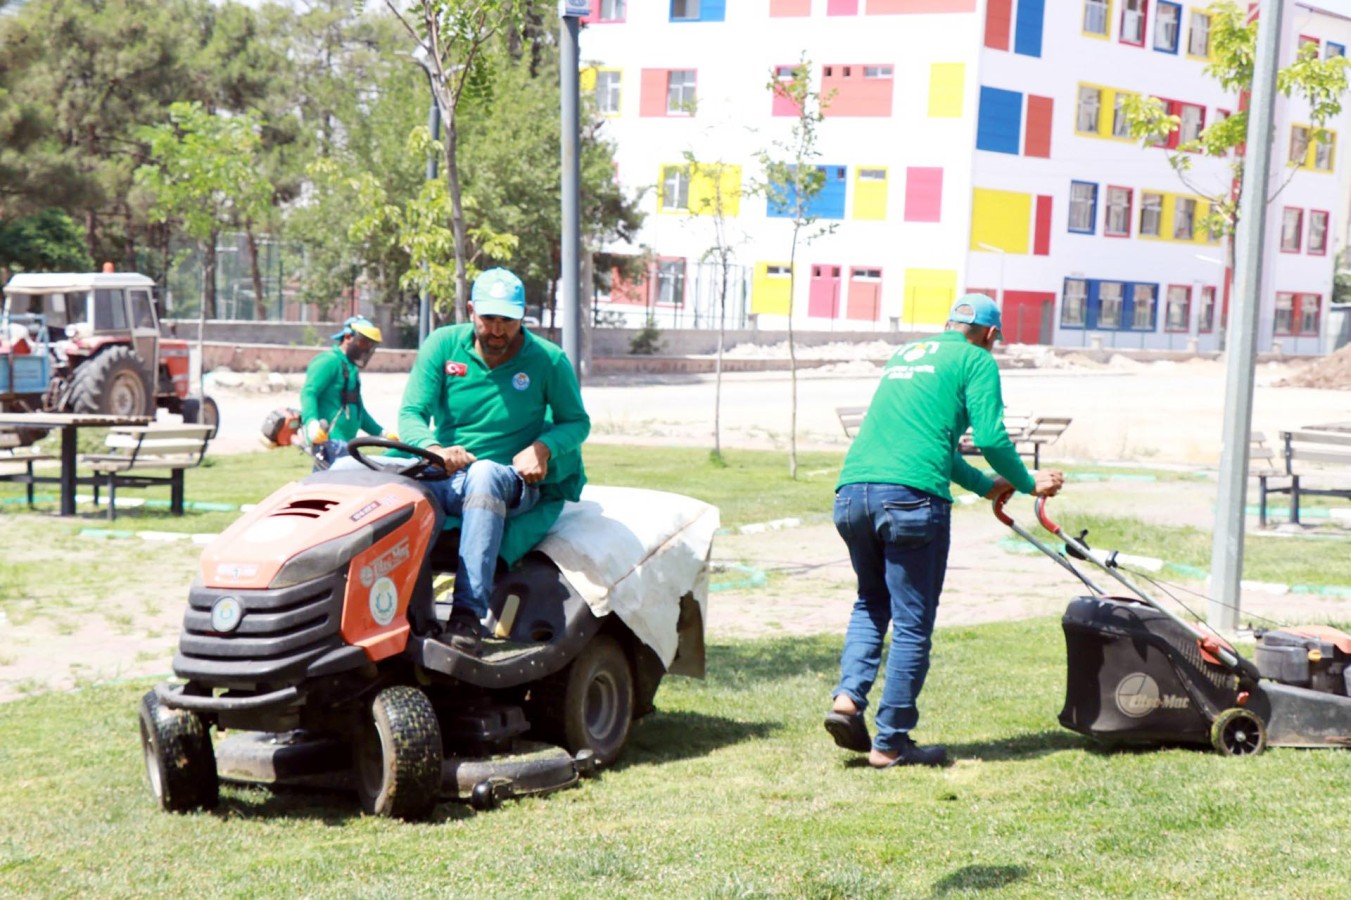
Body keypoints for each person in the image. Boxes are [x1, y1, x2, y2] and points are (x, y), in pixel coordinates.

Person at [824, 293, 1064, 768]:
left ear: (948, 322)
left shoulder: (906, 354)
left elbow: (935, 442)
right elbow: (993, 438)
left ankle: (847, 701)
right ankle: (890, 744)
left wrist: (984, 486)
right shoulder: (977, 360)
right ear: (991, 335)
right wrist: (1027, 481)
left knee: (871, 601)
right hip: (911, 500)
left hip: (852, 494)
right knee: (913, 624)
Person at [398, 268, 590, 655]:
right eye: (489, 318)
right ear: (471, 311)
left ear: (523, 317)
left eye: (508, 320)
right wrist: (433, 447)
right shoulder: (442, 345)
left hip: (509, 481)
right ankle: (401, 614)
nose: (498, 330)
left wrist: (545, 447)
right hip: (446, 475)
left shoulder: (548, 360)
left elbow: (577, 422)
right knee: (368, 482)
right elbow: (410, 415)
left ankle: (467, 618)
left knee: (484, 473)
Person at [299, 316, 393, 470]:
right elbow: (309, 392)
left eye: (371, 344)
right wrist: (312, 423)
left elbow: (359, 412)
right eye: (364, 342)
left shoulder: (351, 369)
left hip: (347, 445)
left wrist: (382, 433)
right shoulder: (329, 361)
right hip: (330, 443)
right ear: (348, 337)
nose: (367, 348)